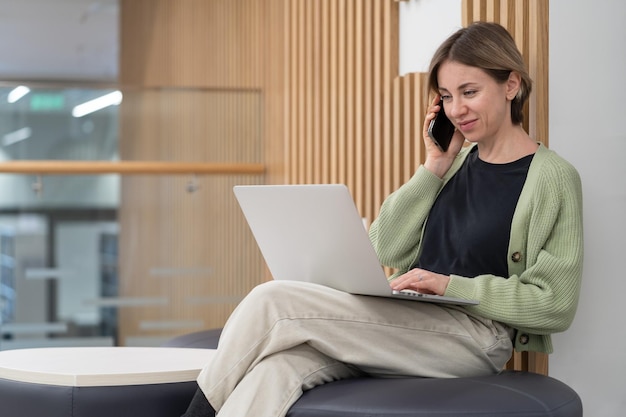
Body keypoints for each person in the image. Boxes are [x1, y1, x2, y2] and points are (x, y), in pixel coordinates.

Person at [182, 21, 584, 417]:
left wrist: (447, 285)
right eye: (446, 96)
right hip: (407, 323)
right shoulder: (452, 166)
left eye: (469, 92)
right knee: (278, 369)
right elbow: (384, 247)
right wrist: (433, 166)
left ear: (511, 85)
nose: (456, 109)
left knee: (274, 300)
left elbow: (555, 304)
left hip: (472, 337)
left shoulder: (551, 178)